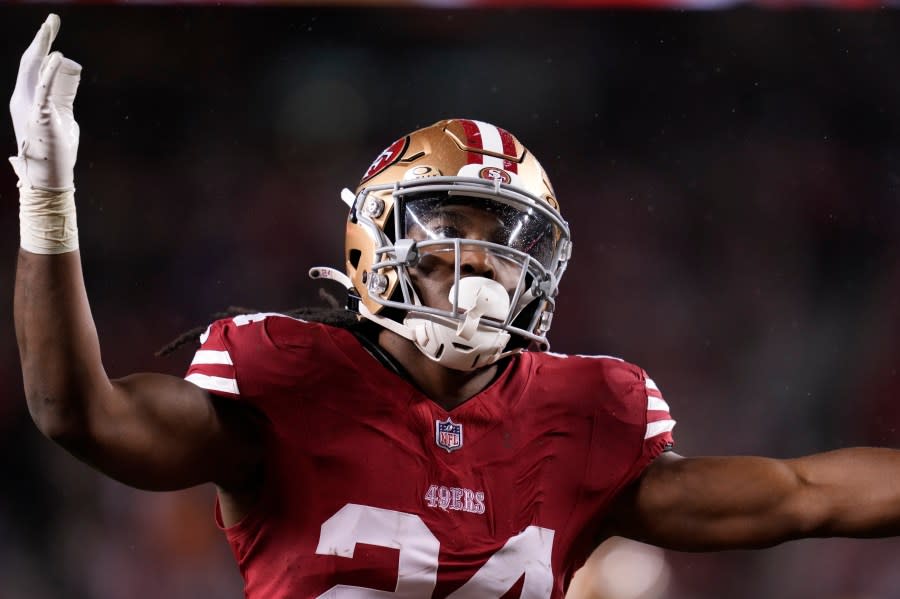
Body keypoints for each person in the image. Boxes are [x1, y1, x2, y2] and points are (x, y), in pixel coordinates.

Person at [10, 14, 900, 599]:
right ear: (376, 247)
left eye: (510, 245)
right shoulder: (291, 382)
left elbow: (802, 492)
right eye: (457, 237)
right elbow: (77, 413)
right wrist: (49, 198)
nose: (488, 269)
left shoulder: (579, 416)